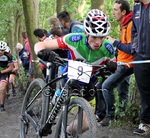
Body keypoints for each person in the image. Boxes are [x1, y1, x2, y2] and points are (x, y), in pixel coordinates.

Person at [34, 9, 116, 134]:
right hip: (69, 79)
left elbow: (116, 64)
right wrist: (42, 52)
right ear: (86, 33)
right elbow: (39, 46)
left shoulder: (108, 48)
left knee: (87, 124)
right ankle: (53, 101)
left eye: (101, 37)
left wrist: (113, 67)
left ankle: (65, 132)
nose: (98, 42)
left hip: (89, 85)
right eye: (94, 37)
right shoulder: (73, 39)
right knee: (65, 105)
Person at [99, 0, 134, 126]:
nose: (113, 12)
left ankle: (110, 115)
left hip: (128, 65)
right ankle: (121, 116)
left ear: (123, 11)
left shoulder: (130, 25)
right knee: (123, 91)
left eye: (115, 9)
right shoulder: (123, 24)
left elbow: (131, 49)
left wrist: (114, 42)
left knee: (106, 86)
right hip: (122, 63)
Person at [131, 0, 150, 136]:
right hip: (141, 58)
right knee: (145, 92)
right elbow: (134, 31)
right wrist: (135, 49)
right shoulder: (136, 7)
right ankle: (146, 123)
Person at [0, 41, 13, 111]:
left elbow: (11, 67)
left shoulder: (8, 55)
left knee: (2, 88)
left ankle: (1, 105)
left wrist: (2, 71)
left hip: (4, 73)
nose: (0, 52)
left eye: (2, 50)